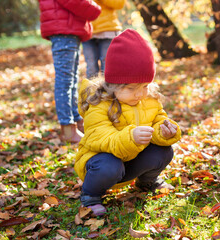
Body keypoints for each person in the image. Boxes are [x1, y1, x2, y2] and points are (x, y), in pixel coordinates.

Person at [74, 29, 182, 216]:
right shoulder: (99, 104)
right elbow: (99, 137)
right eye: (132, 88)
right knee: (109, 165)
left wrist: (164, 132)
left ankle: (146, 181)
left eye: (145, 86)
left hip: (131, 161)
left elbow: (158, 120)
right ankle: (90, 195)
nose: (140, 93)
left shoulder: (149, 100)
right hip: (101, 164)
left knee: (164, 150)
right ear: (113, 85)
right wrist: (131, 137)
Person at [38, 0, 101, 143]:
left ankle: (76, 121)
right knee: (65, 81)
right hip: (63, 31)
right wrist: (95, 8)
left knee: (71, 79)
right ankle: (68, 129)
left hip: (68, 30)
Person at [83, 0, 125, 79]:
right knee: (91, 67)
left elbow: (120, 4)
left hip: (108, 29)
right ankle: (91, 90)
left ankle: (108, 90)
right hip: (87, 29)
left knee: (108, 66)